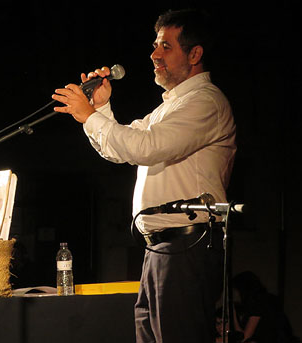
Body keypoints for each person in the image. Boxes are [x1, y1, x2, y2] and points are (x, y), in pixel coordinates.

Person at [52, 8, 236, 343]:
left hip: (187, 245)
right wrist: (100, 109)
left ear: (195, 54)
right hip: (161, 250)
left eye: (166, 46)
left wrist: (89, 116)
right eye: (155, 45)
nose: (154, 54)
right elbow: (122, 148)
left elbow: (146, 148)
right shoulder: (170, 107)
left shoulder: (206, 102)